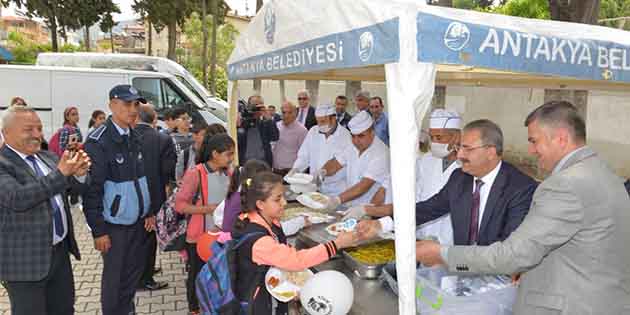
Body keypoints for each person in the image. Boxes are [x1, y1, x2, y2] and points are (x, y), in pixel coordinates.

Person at [415, 101, 630, 315]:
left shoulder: (564, 185)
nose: (531, 150)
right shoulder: (605, 174)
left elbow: (512, 255)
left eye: (534, 141)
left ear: (561, 138)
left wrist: (443, 254)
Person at [358, 119, 537, 248]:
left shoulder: (521, 189)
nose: (459, 155)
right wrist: (382, 224)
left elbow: (511, 248)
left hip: (497, 279)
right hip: (460, 268)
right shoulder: (460, 178)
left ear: (490, 152)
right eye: (460, 147)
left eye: (467, 148)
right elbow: (427, 209)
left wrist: (445, 257)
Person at [0, 106, 90, 315]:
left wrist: (80, 174)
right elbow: (19, 198)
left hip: (58, 254)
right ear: (6, 132)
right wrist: (61, 173)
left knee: (64, 309)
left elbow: (73, 189)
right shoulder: (3, 164)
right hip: (25, 263)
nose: (37, 134)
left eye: (39, 128)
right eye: (28, 129)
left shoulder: (47, 157)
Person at [232, 172, 357, 315]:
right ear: (260, 204)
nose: (284, 203)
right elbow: (296, 260)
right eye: (277, 199)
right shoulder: (259, 241)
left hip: (266, 288)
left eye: (283, 197)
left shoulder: (267, 220)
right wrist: (336, 244)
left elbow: (283, 254)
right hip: (257, 302)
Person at [82, 84, 152, 315]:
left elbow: (140, 180)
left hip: (137, 223)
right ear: (112, 105)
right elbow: (92, 190)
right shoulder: (98, 141)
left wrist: (148, 211)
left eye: (135, 104)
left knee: (131, 277)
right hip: (114, 228)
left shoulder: (135, 135)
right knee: (114, 281)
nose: (133, 109)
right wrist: (98, 230)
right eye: (126, 104)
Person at [175, 133, 235, 315]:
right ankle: (194, 309)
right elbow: (180, 205)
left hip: (220, 235)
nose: (231, 158)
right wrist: (207, 209)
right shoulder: (196, 173)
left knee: (218, 272)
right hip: (199, 236)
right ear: (215, 154)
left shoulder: (228, 172)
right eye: (229, 154)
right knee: (197, 274)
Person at [134, 103, 176, 291]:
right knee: (149, 238)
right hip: (154, 195)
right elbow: (168, 170)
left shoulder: (129, 136)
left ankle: (141, 271)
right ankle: (146, 278)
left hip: (131, 197)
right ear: (154, 119)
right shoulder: (162, 139)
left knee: (136, 237)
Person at [321, 111, 390, 208]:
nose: (356, 141)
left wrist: (338, 199)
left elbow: (364, 186)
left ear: (372, 132)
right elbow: (336, 163)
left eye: (361, 136)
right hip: (349, 204)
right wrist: (323, 171)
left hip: (369, 208)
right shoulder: (352, 146)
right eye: (353, 136)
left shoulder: (381, 153)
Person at [290, 103, 353, 196]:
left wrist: (322, 174)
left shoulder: (346, 137)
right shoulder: (313, 132)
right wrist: (296, 169)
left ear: (333, 118)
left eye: (323, 121)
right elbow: (304, 156)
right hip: (313, 187)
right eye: (318, 121)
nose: (319, 125)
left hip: (335, 189)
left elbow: (339, 163)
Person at [237, 95, 279, 167]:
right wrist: (238, 125)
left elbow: (275, 137)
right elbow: (237, 141)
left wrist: (269, 119)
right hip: (246, 163)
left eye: (260, 106)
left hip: (263, 163)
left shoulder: (265, 123)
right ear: (249, 106)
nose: (258, 108)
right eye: (255, 105)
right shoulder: (242, 122)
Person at [272, 101, 307, 176]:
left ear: (295, 113)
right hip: (275, 170)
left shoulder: (302, 130)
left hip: (291, 172)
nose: (286, 115)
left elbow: (305, 155)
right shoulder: (276, 126)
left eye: (290, 112)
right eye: (284, 112)